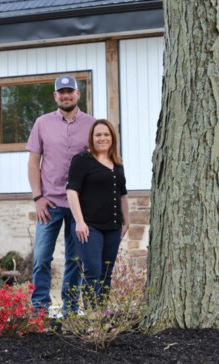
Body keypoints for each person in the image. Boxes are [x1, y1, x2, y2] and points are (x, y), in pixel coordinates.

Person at [26, 75, 95, 313]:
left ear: (78, 94)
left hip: (80, 205)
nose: (66, 96)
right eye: (61, 92)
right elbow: (34, 162)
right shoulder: (42, 123)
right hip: (50, 203)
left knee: (75, 260)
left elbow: (98, 163)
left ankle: (70, 309)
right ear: (55, 96)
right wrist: (37, 197)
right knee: (42, 257)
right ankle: (39, 309)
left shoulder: (92, 124)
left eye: (70, 91)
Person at [66, 119, 129, 307]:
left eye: (106, 134)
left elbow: (123, 195)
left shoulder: (117, 163)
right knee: (93, 271)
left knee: (106, 272)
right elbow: (71, 191)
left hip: (113, 227)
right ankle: (92, 317)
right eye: (98, 135)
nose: (102, 138)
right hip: (89, 226)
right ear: (92, 138)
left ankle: (101, 314)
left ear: (112, 138)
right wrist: (79, 222)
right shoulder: (82, 160)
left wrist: (127, 221)